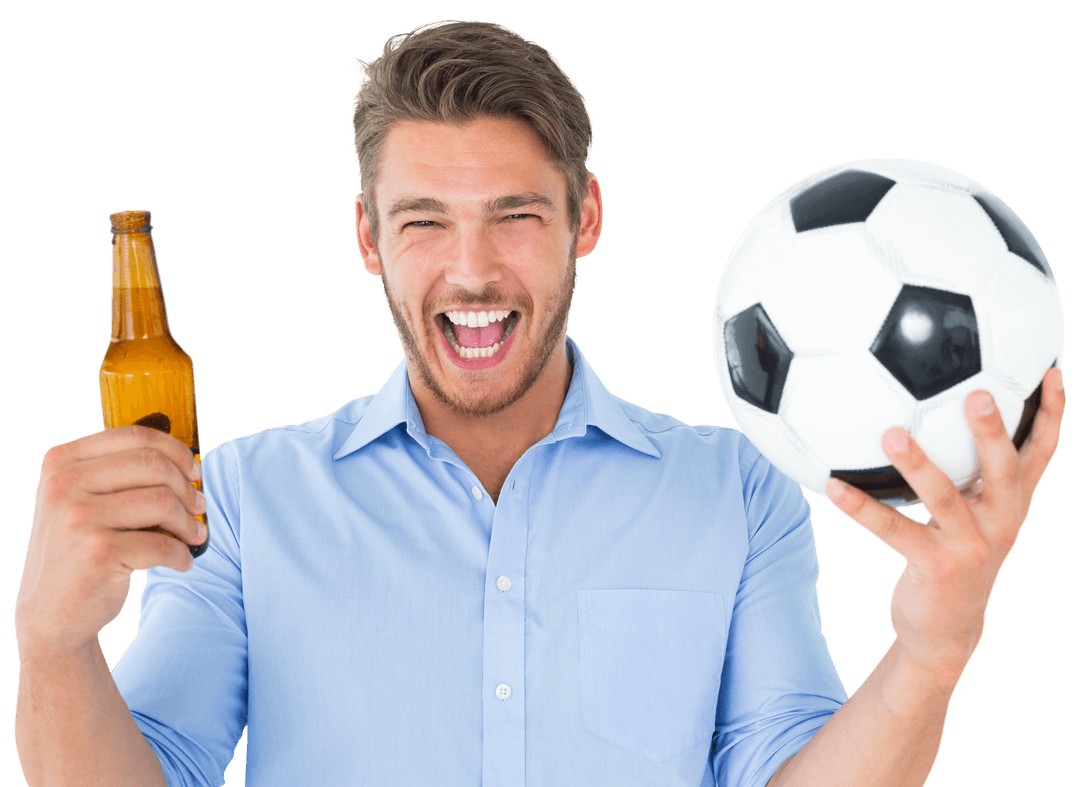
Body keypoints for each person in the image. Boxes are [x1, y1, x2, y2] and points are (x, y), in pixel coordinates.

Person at [13, 19, 1065, 787]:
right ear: (369, 239)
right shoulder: (240, 499)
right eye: (423, 221)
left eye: (514, 214)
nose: (471, 272)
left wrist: (933, 652)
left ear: (585, 218)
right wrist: (54, 646)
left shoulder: (735, 489)